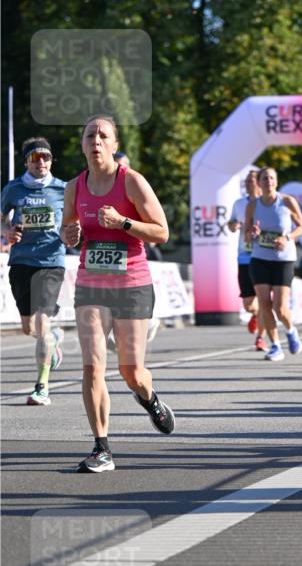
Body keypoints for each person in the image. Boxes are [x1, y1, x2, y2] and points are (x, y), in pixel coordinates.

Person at [59, 115, 175, 473]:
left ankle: (149, 398)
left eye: (102, 135)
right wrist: (69, 235)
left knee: (131, 372)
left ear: (114, 144)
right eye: (89, 135)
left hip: (131, 284)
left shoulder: (132, 182)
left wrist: (124, 222)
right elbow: (67, 229)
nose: (95, 140)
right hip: (91, 283)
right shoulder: (74, 188)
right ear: (82, 146)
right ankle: (102, 448)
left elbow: (162, 232)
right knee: (93, 365)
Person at [1, 137, 66, 405]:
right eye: (35, 157)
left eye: (46, 157)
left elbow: (75, 220)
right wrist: (6, 231)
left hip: (51, 261)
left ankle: (42, 386)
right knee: (29, 328)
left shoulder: (63, 189)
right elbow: (1, 218)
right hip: (21, 262)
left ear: (51, 160)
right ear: (26, 161)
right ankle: (53, 339)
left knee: (41, 322)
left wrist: (73, 232)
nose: (41, 162)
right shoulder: (13, 188)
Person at [244, 167, 302, 361]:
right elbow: (246, 235)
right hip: (260, 259)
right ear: (259, 183)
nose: (268, 181)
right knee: (264, 304)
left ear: (276, 182)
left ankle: (291, 330)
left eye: (271, 178)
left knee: (280, 307)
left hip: (283, 260)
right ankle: (275, 346)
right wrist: (252, 233)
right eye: (264, 178)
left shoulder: (287, 202)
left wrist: (287, 238)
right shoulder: (252, 206)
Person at [228, 170, 267, 351]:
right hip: (244, 255)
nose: (248, 183)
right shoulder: (239, 204)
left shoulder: (267, 202)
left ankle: (261, 338)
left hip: (264, 254)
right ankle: (256, 314)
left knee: (264, 299)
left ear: (258, 182)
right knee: (249, 305)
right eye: (246, 181)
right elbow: (231, 223)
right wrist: (233, 225)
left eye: (251, 180)